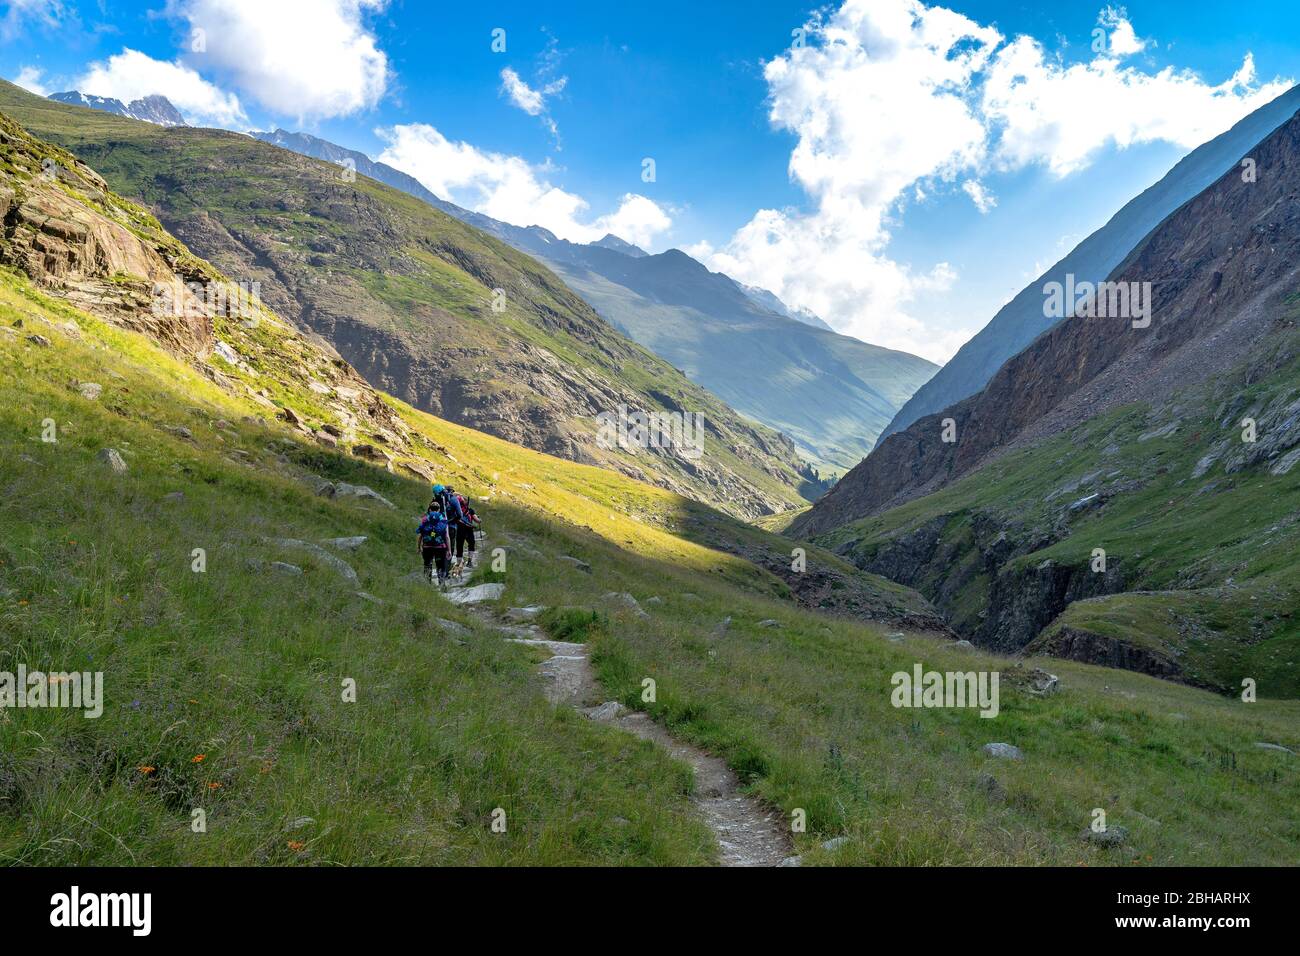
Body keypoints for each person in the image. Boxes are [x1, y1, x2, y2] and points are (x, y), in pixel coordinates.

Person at [416, 505, 451, 587]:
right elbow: (447, 536)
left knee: (427, 565)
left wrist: (419, 547)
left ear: (430, 509)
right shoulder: (443, 519)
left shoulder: (425, 519)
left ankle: (427, 585)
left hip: (427, 547)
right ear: (439, 509)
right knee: (440, 566)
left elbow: (421, 535)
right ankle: (442, 585)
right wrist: (449, 550)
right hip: (440, 548)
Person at [456, 497, 480, 568]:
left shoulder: (456, 510)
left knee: (459, 546)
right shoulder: (470, 510)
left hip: (459, 530)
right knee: (471, 544)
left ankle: (458, 564)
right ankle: (469, 562)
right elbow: (477, 520)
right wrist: (480, 520)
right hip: (469, 530)